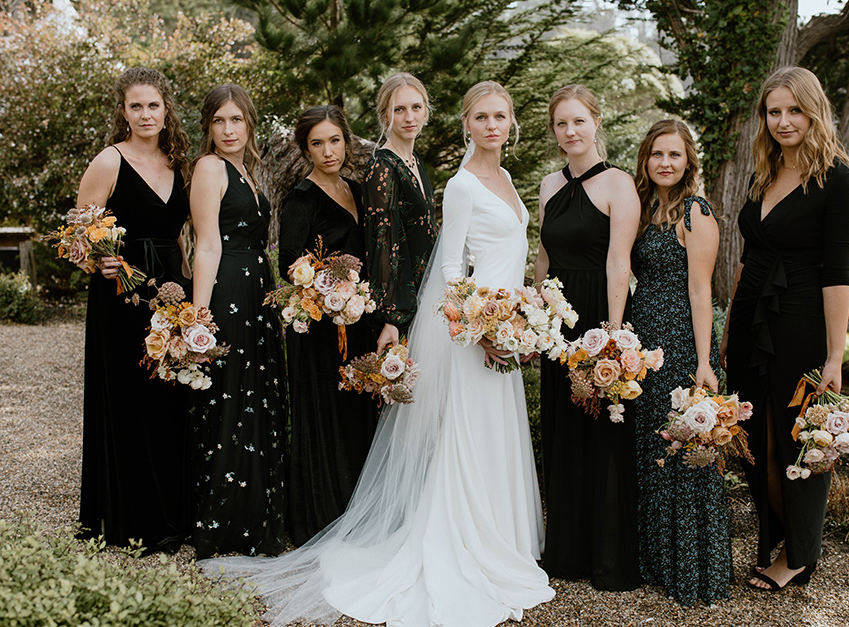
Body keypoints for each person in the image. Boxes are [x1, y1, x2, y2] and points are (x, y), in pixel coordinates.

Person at [198, 80, 555, 627]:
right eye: (398, 108)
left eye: (417, 106)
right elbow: (400, 251)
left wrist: (519, 317)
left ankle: (496, 531)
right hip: (438, 321)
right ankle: (449, 534)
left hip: (485, 319)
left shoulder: (469, 174)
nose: (491, 125)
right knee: (457, 428)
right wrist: (406, 318)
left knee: (483, 429)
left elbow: (425, 246)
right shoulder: (403, 173)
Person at [719, 66, 849, 591]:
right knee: (758, 441)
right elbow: (747, 260)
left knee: (799, 444)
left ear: (814, 111)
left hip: (801, 326)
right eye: (773, 111)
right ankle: (774, 540)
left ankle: (801, 555)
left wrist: (833, 357)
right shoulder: (764, 174)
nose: (783, 121)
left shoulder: (838, 183)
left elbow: (836, 278)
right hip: (752, 324)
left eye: (793, 110)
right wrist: (731, 324)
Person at [76, 66, 192, 556]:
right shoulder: (109, 160)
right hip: (122, 296)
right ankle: (132, 516)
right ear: (122, 111)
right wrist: (98, 260)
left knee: (171, 400)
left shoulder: (180, 162)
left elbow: (185, 235)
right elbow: (78, 232)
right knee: (130, 398)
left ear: (166, 109)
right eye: (135, 106)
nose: (146, 114)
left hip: (172, 290)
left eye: (153, 105)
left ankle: (175, 511)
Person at [535, 84, 641, 590]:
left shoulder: (618, 184)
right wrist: (537, 315)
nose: (570, 131)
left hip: (599, 316)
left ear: (596, 121)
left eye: (578, 121)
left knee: (601, 432)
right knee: (562, 431)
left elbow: (619, 261)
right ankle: (566, 553)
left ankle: (607, 557)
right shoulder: (548, 186)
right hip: (558, 323)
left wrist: (614, 333)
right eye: (561, 123)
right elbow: (544, 257)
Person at [631, 119, 731, 604]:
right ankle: (655, 558)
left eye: (674, 155)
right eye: (656, 155)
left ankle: (693, 570)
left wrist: (705, 362)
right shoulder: (646, 210)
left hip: (684, 346)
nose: (665, 163)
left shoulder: (696, 213)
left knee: (684, 454)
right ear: (645, 161)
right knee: (652, 451)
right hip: (645, 346)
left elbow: (701, 290)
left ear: (688, 161)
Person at [190, 84, 287, 559]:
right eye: (219, 121)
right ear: (208, 127)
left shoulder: (246, 169)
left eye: (237, 120)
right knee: (231, 395)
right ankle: (225, 521)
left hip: (256, 293)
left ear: (249, 123)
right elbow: (206, 244)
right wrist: (199, 316)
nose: (229, 130)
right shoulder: (209, 167)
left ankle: (254, 514)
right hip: (228, 291)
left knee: (254, 395)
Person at [278, 105, 378, 546]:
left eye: (334, 140)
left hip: (361, 323)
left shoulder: (357, 189)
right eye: (317, 143)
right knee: (327, 417)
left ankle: (362, 513)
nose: (328, 150)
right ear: (305, 149)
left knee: (360, 416)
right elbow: (290, 265)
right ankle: (324, 517)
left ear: (346, 141)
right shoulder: (300, 198)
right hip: (320, 329)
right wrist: (332, 288)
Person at [364, 72, 438, 353]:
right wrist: (393, 318)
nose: (410, 117)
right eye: (399, 109)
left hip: (427, 291)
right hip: (405, 304)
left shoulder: (414, 160)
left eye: (416, 107)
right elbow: (384, 245)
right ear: (385, 116)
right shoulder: (382, 167)